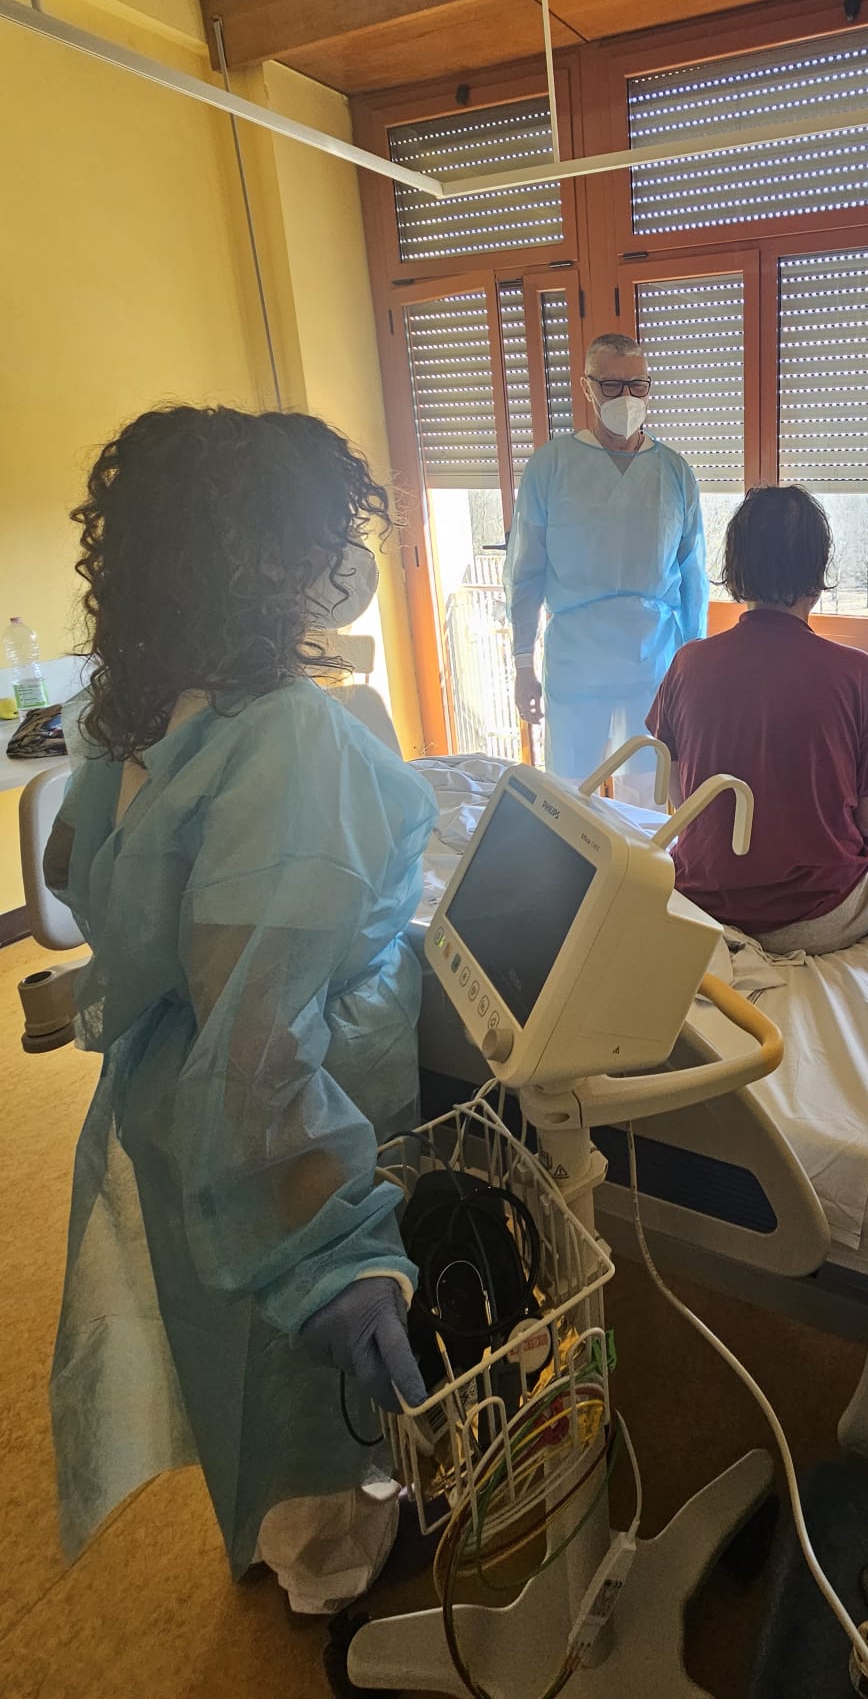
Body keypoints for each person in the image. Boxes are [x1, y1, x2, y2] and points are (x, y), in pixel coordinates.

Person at [45, 406, 437, 1614]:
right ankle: (334, 1568)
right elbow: (260, 1044)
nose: (338, 561)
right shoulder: (287, 737)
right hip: (273, 1109)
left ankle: (275, 1539)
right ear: (258, 558)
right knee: (302, 1367)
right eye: (319, 537)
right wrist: (334, 1253)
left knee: (229, 1336)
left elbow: (80, 870)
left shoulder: (136, 710)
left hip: (170, 1088)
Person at [646, 485, 868, 953]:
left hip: (703, 908)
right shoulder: (857, 675)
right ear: (817, 573)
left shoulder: (687, 663)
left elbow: (680, 796)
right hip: (815, 917)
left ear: (736, 572)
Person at [506, 333, 708, 792]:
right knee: (570, 797)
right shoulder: (551, 467)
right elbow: (525, 572)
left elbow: (692, 576)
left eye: (637, 385)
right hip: (577, 666)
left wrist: (694, 667)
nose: (626, 398)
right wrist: (522, 664)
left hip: (652, 665)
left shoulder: (675, 472)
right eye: (612, 386)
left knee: (648, 800)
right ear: (586, 387)